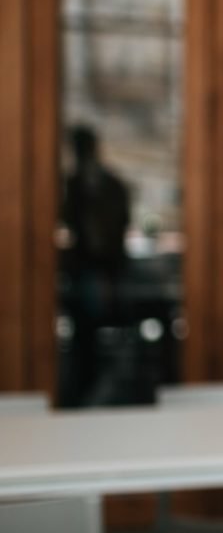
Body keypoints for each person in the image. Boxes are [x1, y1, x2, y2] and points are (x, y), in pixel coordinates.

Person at [61, 123, 131, 405]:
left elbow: (120, 221)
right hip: (87, 270)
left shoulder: (106, 185)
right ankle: (86, 389)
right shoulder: (75, 185)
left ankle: (102, 387)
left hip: (107, 267)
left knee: (101, 333)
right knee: (85, 336)